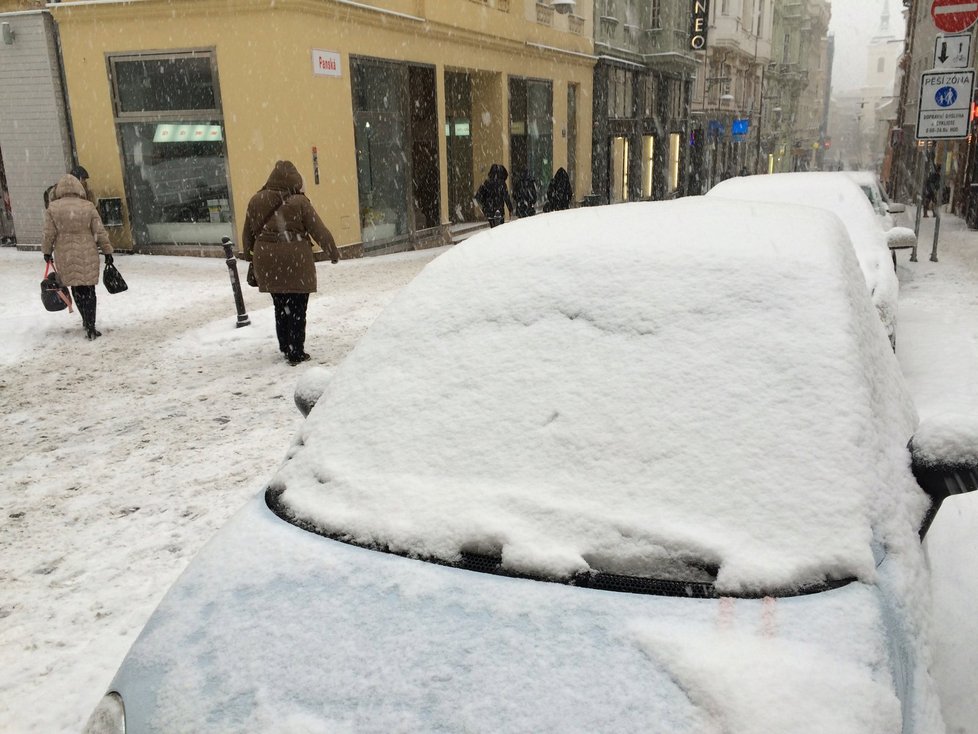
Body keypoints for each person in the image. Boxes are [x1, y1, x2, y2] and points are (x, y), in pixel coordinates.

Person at [242, 160, 340, 366]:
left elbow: (247, 236)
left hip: (267, 261)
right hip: (296, 260)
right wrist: (332, 251)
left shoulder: (256, 200)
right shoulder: (300, 202)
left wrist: (251, 256)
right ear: (295, 180)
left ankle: (285, 345)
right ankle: (296, 351)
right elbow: (318, 229)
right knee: (298, 306)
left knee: (280, 305)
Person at [42, 173, 113, 340]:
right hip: (87, 251)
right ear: (78, 188)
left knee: (76, 288)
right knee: (89, 289)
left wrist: (46, 251)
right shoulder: (88, 206)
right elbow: (99, 231)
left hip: (65, 253)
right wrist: (107, 251)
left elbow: (48, 233)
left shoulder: (53, 208)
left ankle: (85, 320)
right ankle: (91, 325)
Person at [474, 163, 513, 228]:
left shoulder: (486, 183)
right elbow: (506, 197)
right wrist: (510, 209)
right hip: (499, 211)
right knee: (499, 229)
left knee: (493, 228)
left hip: (489, 211)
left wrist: (484, 205)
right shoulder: (502, 184)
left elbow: (478, 196)